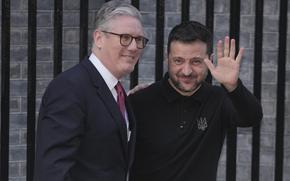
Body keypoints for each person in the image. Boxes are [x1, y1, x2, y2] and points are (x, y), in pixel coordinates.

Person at [128, 21, 263, 181]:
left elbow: (252, 117)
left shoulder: (218, 99)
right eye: (178, 61)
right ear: (167, 58)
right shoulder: (139, 101)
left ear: (210, 60)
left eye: (196, 62)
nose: (187, 71)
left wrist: (233, 86)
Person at [33, 1, 148, 181]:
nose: (134, 47)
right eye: (125, 37)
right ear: (99, 38)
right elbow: (53, 172)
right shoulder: (70, 88)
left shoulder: (117, 92)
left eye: (139, 39)